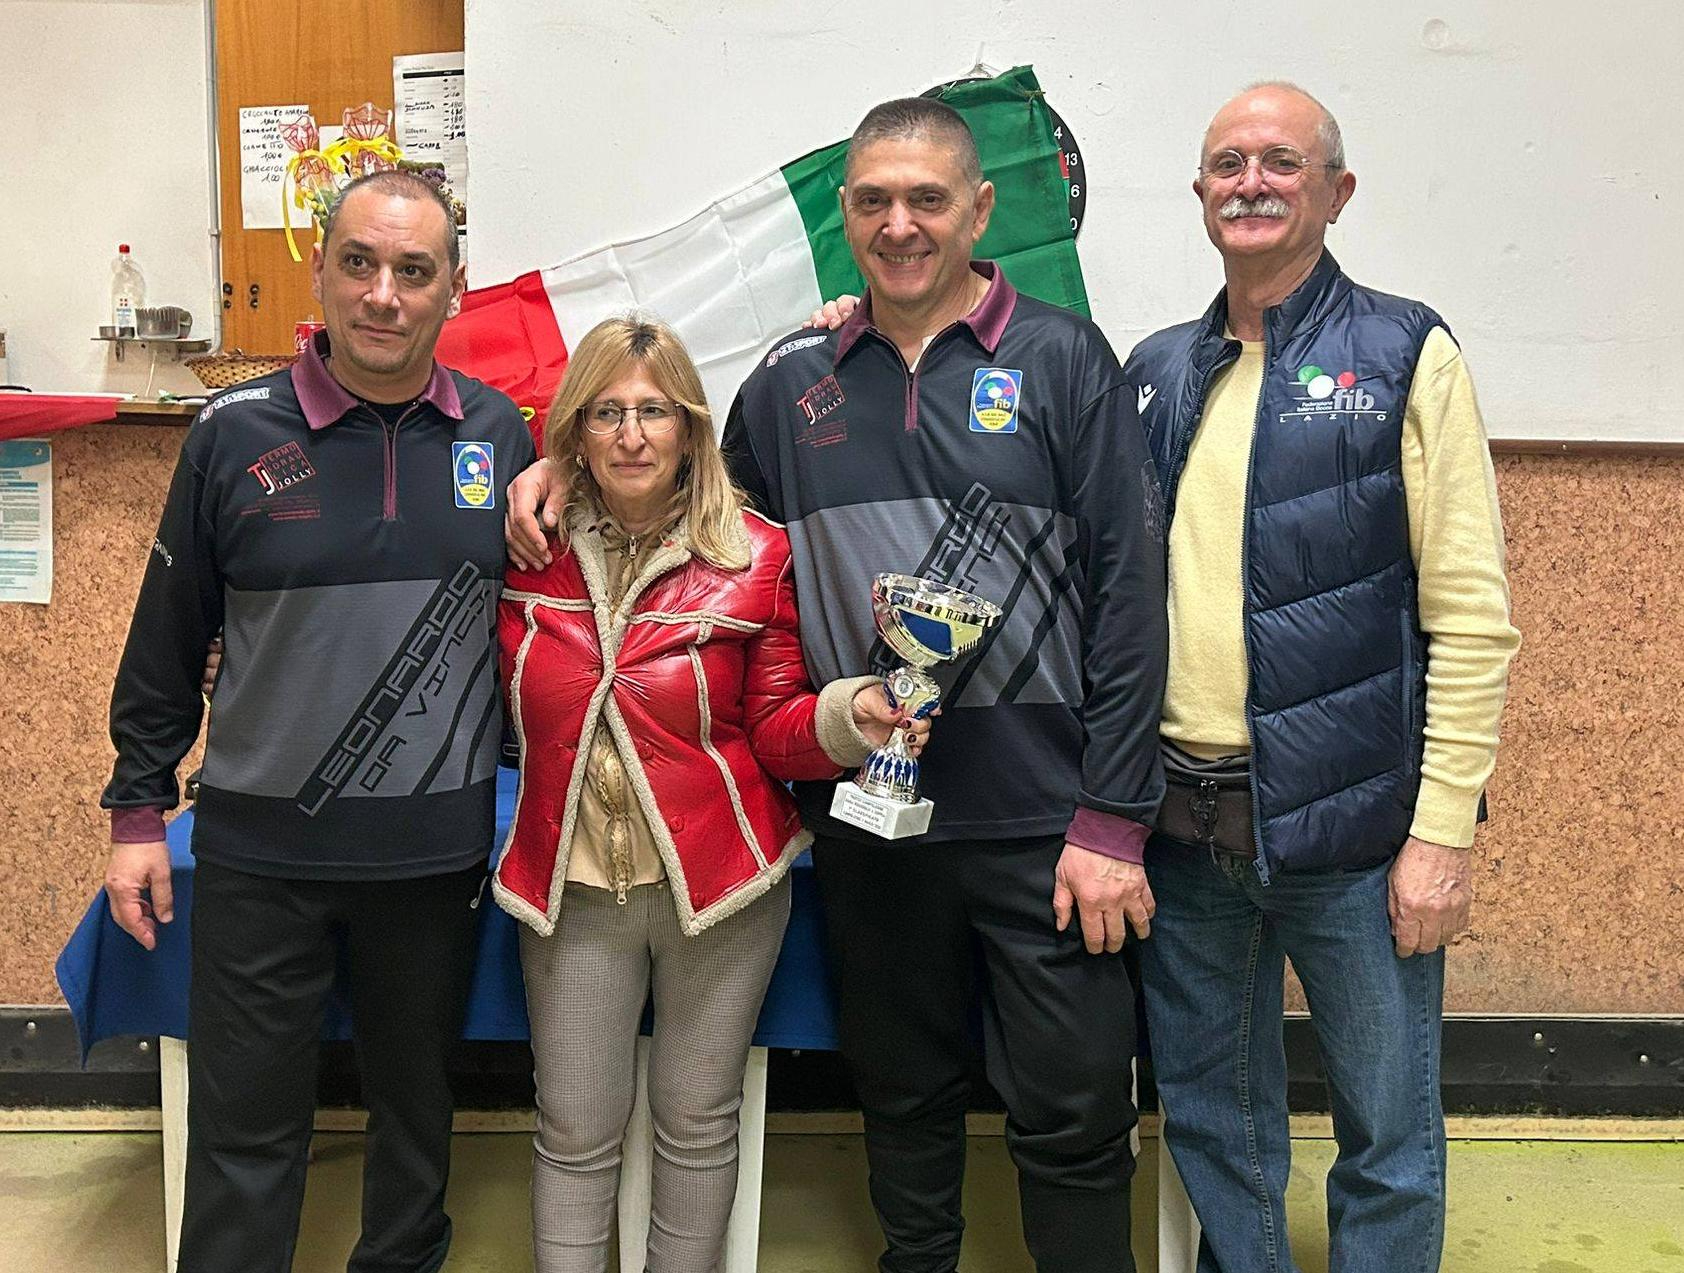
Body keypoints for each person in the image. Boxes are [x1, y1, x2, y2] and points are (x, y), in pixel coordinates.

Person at [508, 97, 1168, 1273]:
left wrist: (1113, 818)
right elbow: (695, 520)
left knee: (1072, 1113)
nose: (899, 223)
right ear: (846, 218)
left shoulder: (1065, 359)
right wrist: (557, 470)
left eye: (927, 199)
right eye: (873, 201)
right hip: (870, 821)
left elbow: (1128, 594)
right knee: (901, 1099)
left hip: (1045, 823)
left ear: (980, 210)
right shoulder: (790, 379)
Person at [101, 170, 535, 1272]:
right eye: (359, 262)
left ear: (453, 289)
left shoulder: (501, 435)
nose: (383, 293)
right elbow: (168, 637)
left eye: (413, 270)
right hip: (259, 856)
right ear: (320, 272)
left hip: (432, 856)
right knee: (243, 1137)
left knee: (415, 1129)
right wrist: (138, 812)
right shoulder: (229, 433)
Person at [1123, 83, 1521, 1271]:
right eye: (1227, 163)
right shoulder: (1154, 369)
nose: (1250, 182)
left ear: (1336, 192)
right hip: (1185, 830)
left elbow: (1471, 616)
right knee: (1214, 1121)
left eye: (1281, 162)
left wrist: (1439, 833)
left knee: (1387, 1136)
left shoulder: (1403, 353)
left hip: (1356, 840)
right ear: (1200, 192)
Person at [491, 315, 922, 1272]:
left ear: (690, 427)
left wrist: (853, 716)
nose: (631, 435)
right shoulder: (523, 546)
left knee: (696, 1122)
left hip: (724, 890)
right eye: (606, 412)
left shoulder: (753, 551)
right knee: (574, 1130)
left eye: (653, 411)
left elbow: (775, 724)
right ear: (575, 430)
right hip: (571, 892)